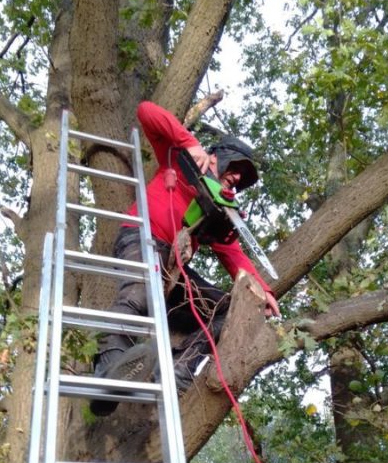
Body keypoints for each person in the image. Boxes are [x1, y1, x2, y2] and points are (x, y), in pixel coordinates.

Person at [90, 100, 279, 416]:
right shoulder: (180, 163)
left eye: (242, 178)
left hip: (175, 270)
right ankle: (109, 366)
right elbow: (146, 111)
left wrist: (264, 293)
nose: (236, 178)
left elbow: (234, 255)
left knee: (230, 309)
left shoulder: (220, 210)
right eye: (234, 168)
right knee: (139, 292)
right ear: (217, 156)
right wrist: (189, 144)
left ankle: (179, 366)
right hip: (142, 238)